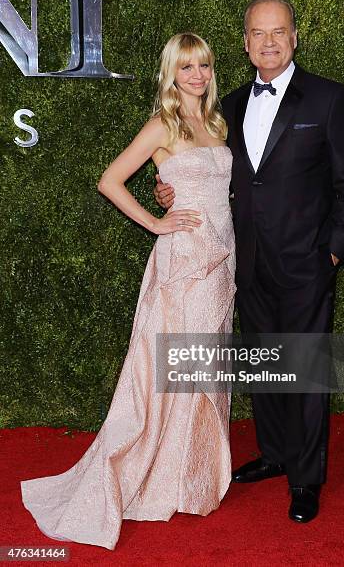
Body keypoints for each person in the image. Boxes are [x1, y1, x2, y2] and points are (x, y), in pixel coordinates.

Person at [154, 0, 344, 523]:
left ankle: (306, 477)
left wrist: (335, 251)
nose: (269, 42)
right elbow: (204, 168)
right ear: (245, 42)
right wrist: (169, 193)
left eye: (279, 32)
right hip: (242, 260)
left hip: (306, 263)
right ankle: (274, 454)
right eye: (258, 33)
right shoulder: (224, 105)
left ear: (294, 37)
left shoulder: (328, 99)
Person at [20, 32, 236, 550]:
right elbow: (110, 179)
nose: (198, 76)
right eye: (187, 68)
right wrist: (156, 223)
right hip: (185, 262)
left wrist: (172, 195)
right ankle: (163, 474)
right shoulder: (164, 123)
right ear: (171, 74)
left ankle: (192, 473)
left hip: (223, 258)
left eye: (204, 65)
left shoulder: (215, 122)